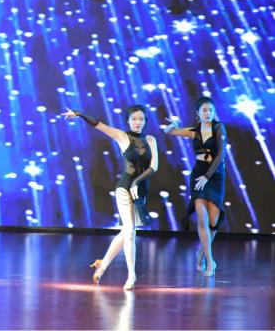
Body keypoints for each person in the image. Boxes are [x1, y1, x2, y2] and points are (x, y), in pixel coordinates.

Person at [63, 105, 158, 290]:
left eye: (141, 119)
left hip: (139, 189)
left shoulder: (150, 140)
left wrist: (137, 182)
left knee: (126, 232)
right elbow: (99, 125)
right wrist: (80, 114)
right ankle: (131, 276)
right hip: (124, 188)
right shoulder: (122, 136)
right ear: (128, 121)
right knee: (130, 232)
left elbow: (154, 166)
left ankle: (103, 264)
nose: (138, 122)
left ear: (145, 121)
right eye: (134, 119)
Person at [164, 96, 226, 277]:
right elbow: (170, 132)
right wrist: (172, 124)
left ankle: (201, 254)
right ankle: (210, 262)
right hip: (199, 174)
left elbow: (221, 155)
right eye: (204, 110)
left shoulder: (218, 128)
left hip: (215, 175)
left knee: (213, 221)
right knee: (202, 217)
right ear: (198, 113)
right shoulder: (193, 131)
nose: (208, 113)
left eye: (211, 110)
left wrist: (208, 176)